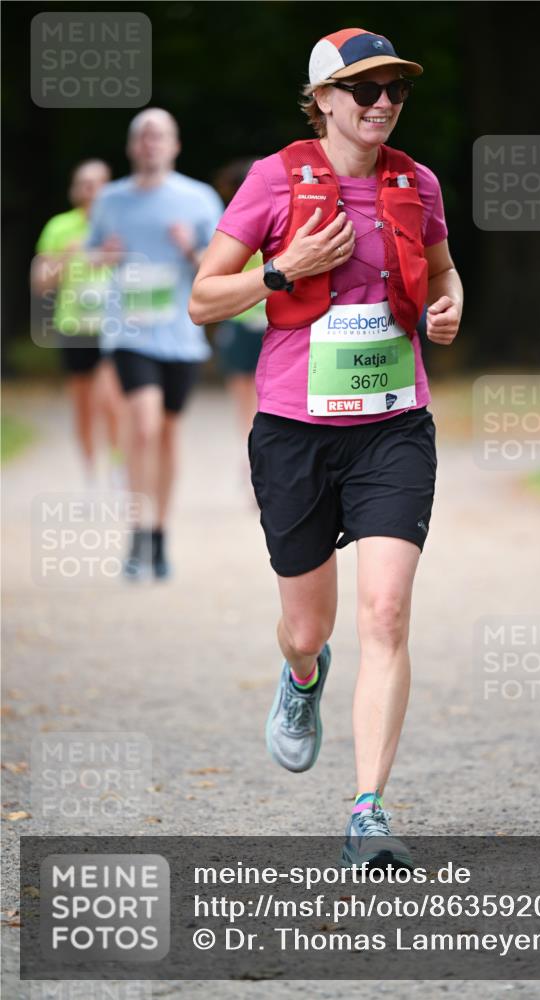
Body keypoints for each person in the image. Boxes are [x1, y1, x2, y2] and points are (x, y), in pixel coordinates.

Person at [190, 28, 463, 866]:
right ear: (321, 100)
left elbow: (443, 272)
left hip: (392, 426)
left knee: (386, 612)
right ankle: (302, 675)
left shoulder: (416, 181)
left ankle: (367, 812)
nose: (383, 103)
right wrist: (283, 268)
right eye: (364, 89)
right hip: (295, 433)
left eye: (395, 90)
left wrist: (448, 306)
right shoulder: (273, 180)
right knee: (307, 628)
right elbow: (204, 299)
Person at [86, 109, 223, 579]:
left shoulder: (198, 198)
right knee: (142, 426)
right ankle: (137, 533)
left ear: (175, 145)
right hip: (129, 332)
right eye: (143, 136)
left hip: (181, 334)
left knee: (166, 433)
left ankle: (160, 535)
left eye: (159, 135)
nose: (150, 143)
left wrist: (190, 249)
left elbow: (222, 263)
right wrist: (102, 256)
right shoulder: (110, 199)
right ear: (131, 146)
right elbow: (91, 255)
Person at [32, 159, 126, 487]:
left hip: (112, 327)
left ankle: (117, 468)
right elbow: (40, 283)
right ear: (75, 188)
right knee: (83, 406)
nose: (90, 189)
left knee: (110, 400)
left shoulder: (119, 224)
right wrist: (67, 256)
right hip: (74, 327)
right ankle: (90, 475)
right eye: (83, 183)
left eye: (96, 182)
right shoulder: (59, 227)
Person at [212, 158, 265, 489]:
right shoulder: (228, 225)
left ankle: (261, 463)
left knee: (267, 399)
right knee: (245, 401)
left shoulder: (283, 217)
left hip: (274, 324)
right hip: (240, 323)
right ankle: (248, 465)